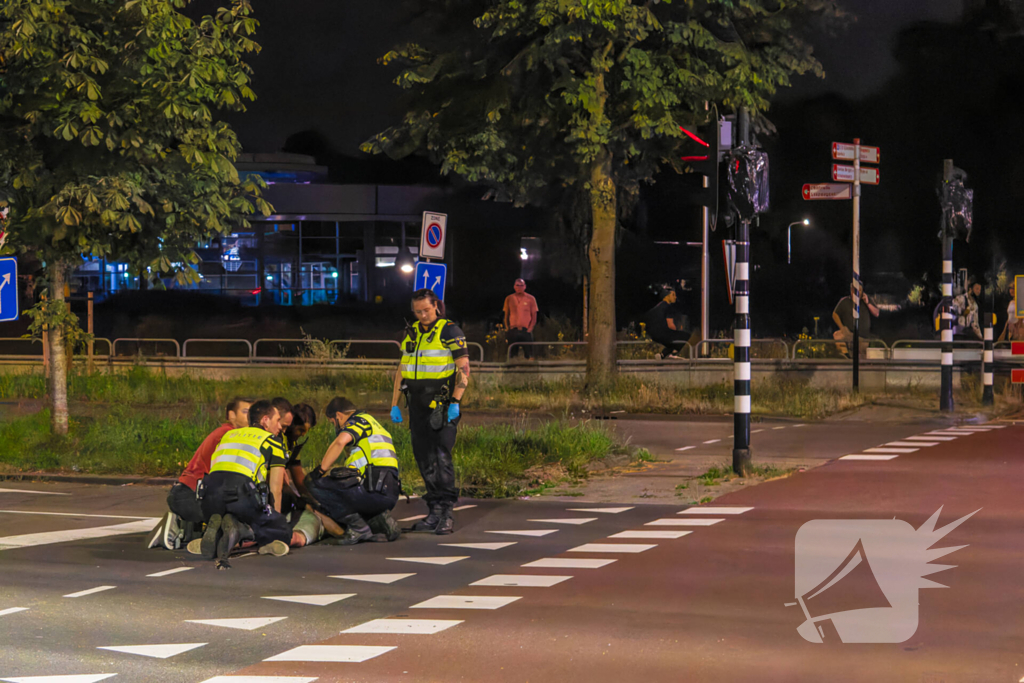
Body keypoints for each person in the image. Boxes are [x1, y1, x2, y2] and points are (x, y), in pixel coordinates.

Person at [390, 288, 471, 535]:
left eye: (426, 310)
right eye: (417, 312)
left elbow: (464, 370)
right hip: (416, 404)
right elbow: (401, 370)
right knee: (423, 457)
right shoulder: (412, 333)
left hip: (442, 404)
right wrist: (394, 404)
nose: (422, 315)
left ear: (436, 306)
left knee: (441, 456)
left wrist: (456, 401)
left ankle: (446, 513)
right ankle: (434, 511)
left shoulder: (450, 331)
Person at [198, 400, 306, 567]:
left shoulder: (230, 435)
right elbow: (276, 489)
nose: (279, 427)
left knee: (234, 510)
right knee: (282, 530)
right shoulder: (272, 441)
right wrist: (274, 521)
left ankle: (219, 533)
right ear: (265, 420)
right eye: (277, 421)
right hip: (240, 495)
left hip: (210, 495)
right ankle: (242, 532)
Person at [146, 397, 251, 550]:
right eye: (245, 411)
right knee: (228, 521)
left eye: (251, 412)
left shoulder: (230, 433)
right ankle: (175, 525)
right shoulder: (229, 435)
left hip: (190, 493)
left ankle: (182, 527)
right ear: (231, 415)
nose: (250, 416)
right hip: (189, 495)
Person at [306, 397, 402, 545]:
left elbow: (340, 441)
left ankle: (358, 528)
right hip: (388, 492)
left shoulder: (358, 420)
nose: (335, 426)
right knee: (344, 485)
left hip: (372, 489)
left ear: (338, 415)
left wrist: (320, 470)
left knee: (317, 485)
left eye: (333, 422)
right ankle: (377, 518)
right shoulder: (375, 425)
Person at [832, 283, 880, 355]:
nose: (858, 292)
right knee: (837, 335)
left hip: (864, 338)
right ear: (851, 291)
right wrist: (841, 327)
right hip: (849, 335)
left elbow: (876, 313)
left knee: (862, 361)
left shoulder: (866, 299)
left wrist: (868, 303)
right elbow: (835, 314)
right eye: (856, 290)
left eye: (860, 290)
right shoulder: (845, 301)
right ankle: (845, 355)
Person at [643, 285, 687, 359]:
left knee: (672, 340)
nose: (675, 297)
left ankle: (663, 355)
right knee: (684, 336)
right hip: (662, 333)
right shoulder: (669, 308)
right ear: (667, 296)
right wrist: (677, 331)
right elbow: (671, 325)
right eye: (673, 295)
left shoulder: (657, 307)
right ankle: (673, 352)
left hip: (652, 334)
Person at [503, 278, 539, 359]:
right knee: (511, 354)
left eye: (521, 285)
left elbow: (534, 316)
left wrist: (529, 329)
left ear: (525, 286)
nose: (519, 287)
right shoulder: (509, 298)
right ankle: (511, 369)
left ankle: (530, 369)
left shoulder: (531, 299)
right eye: (517, 285)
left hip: (525, 330)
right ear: (514, 287)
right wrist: (507, 328)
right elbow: (506, 315)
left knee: (529, 354)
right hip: (513, 329)